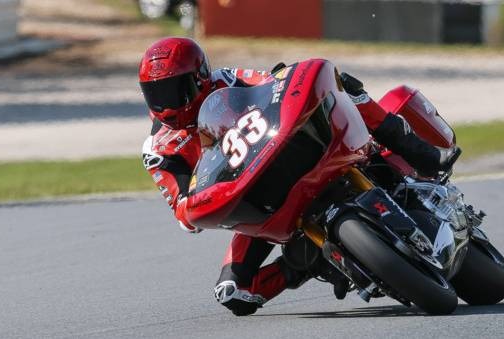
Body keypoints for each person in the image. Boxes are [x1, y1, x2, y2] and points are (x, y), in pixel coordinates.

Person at [138, 37, 456, 316]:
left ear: (200, 77)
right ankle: (305, 260)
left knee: (346, 83)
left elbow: (275, 84)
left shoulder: (228, 80)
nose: (165, 104)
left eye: (175, 90)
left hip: (287, 155)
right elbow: (183, 211)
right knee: (234, 293)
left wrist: (284, 78)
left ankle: (417, 151)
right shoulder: (158, 149)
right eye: (155, 93)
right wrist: (204, 199)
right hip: (253, 195)